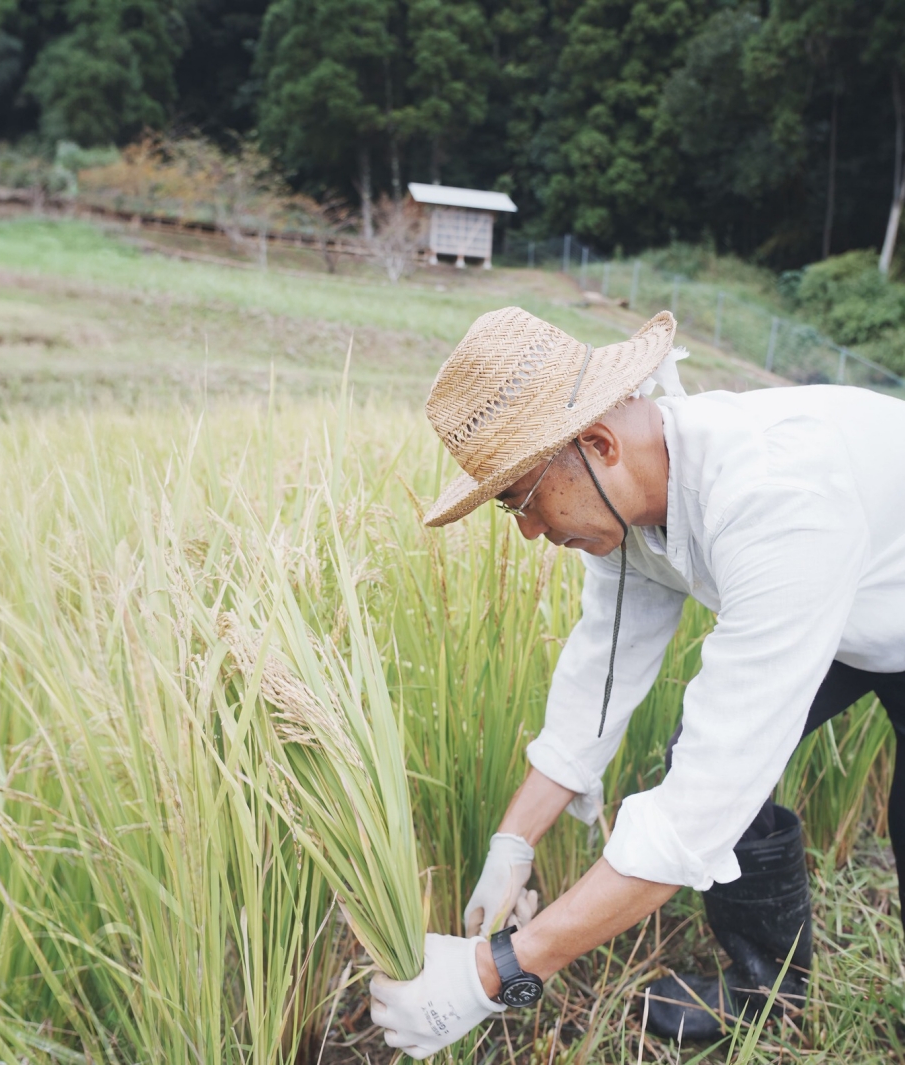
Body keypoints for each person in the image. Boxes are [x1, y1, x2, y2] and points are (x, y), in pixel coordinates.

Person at [367, 306, 905, 1058]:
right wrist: (512, 839)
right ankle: (770, 995)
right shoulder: (629, 507)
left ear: (597, 442)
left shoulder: (778, 505)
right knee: (700, 745)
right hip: (852, 608)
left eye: (522, 498)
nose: (527, 531)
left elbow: (695, 815)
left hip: (880, 594)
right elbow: (601, 671)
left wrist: (492, 976)